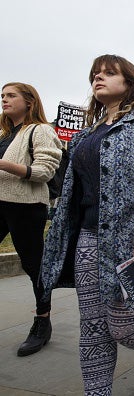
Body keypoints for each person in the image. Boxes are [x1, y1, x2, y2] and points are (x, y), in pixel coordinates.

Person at [39, 55, 134, 395]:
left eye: (110, 73)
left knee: (126, 325)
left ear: (130, 82)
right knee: (93, 327)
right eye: (95, 73)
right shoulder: (85, 134)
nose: (99, 77)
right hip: (89, 238)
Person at [0, 82, 62, 356]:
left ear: (29, 102)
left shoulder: (41, 131)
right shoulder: (4, 134)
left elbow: (43, 172)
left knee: (33, 265)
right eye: (2, 95)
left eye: (11, 95)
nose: (4, 99)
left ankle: (42, 320)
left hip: (24, 205)